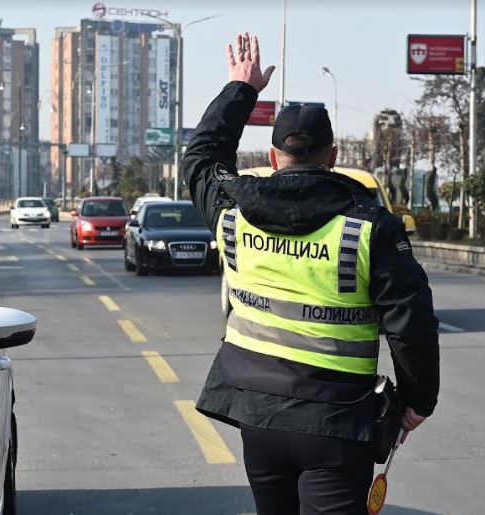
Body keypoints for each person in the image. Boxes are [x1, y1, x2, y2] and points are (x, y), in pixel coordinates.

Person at [182, 33, 440, 515]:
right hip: (339, 420)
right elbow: (412, 324)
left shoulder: (233, 213)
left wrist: (241, 89)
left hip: (257, 413)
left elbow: (199, 161)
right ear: (334, 155)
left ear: (275, 157)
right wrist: (417, 400)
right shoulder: (370, 228)